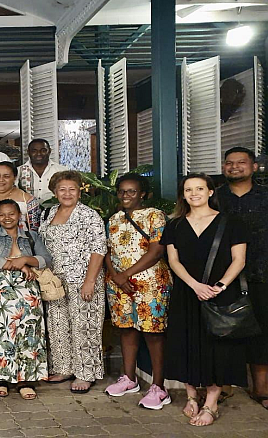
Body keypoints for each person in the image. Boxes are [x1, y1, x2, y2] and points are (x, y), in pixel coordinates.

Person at [162, 174, 249, 426]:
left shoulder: (231, 222)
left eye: (199, 188)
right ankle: (191, 397)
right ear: (183, 195)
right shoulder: (175, 225)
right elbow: (173, 261)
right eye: (188, 189)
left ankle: (211, 403)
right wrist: (195, 286)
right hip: (187, 292)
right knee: (185, 342)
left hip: (221, 293)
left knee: (217, 348)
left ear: (210, 192)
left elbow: (239, 260)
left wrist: (219, 286)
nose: (194, 193)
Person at [104, 173, 172, 410]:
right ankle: (129, 378)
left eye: (131, 191)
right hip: (118, 284)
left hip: (151, 283)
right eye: (122, 191)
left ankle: (159, 387)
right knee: (126, 329)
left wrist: (126, 275)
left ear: (142, 193)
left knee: (153, 333)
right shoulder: (114, 219)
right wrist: (116, 275)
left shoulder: (155, 215)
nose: (126, 195)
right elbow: (107, 251)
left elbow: (156, 251)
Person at [39, 170, 106, 394]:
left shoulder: (89, 215)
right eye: (62, 189)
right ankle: (63, 368)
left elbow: (99, 249)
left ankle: (85, 373)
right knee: (57, 325)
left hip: (82, 279)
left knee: (84, 327)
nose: (67, 194)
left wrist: (90, 281)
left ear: (80, 192)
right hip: (55, 282)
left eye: (72, 189)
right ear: (55, 192)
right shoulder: (49, 213)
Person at [0, 199, 52, 399]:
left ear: (19, 215)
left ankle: (25, 380)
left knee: (28, 334)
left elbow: (46, 259)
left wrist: (24, 259)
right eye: (2, 214)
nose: (7, 218)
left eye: (11, 214)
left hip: (27, 293)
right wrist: (20, 265)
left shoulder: (31, 236)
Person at [216, 147, 268, 410]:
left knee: (261, 330)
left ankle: (261, 388)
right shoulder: (214, 197)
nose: (234, 167)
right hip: (223, 276)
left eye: (241, 162)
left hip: (262, 273)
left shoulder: (265, 196)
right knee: (224, 329)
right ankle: (223, 386)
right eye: (229, 163)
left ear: (254, 167)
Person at [17, 139, 67, 205]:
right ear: (28, 152)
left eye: (43, 150)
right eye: (34, 151)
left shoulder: (61, 171)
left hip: (55, 210)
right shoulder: (18, 172)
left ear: (49, 151)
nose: (39, 154)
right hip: (26, 210)